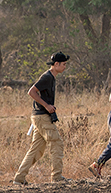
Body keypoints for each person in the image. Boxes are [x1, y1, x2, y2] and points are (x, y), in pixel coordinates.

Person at [13, 52, 70, 185]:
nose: (65, 67)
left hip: (39, 117)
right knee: (57, 143)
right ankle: (57, 177)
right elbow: (31, 91)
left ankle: (19, 178)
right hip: (42, 116)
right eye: (64, 64)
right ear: (56, 64)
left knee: (36, 149)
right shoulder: (47, 77)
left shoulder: (51, 77)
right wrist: (46, 105)